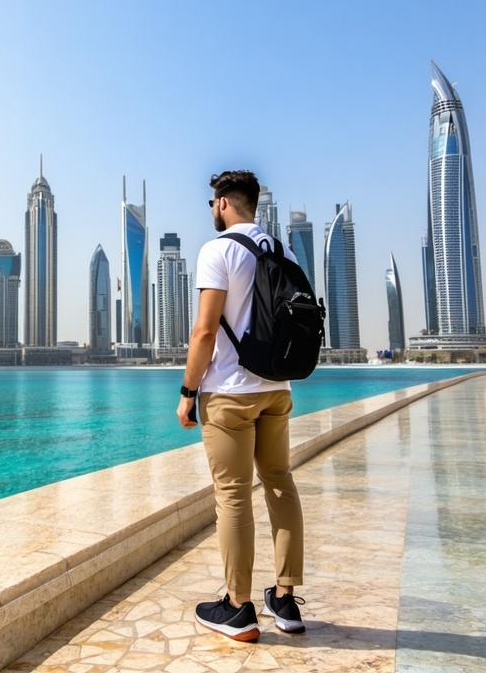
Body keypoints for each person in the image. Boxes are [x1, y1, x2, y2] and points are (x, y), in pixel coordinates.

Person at [178, 170, 305, 642]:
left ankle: (237, 608)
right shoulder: (283, 250)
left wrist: (189, 392)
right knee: (279, 484)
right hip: (277, 389)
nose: (211, 210)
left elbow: (205, 331)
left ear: (225, 204)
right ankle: (286, 600)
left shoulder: (218, 250)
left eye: (213, 202)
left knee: (233, 495)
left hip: (229, 394)